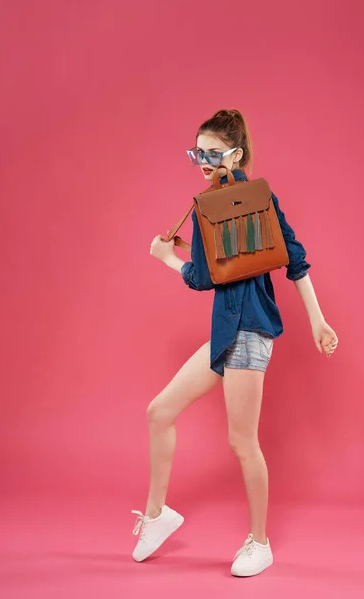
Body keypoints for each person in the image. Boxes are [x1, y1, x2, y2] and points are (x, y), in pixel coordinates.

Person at [131, 109, 338, 577]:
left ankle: (259, 543)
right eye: (197, 152)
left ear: (235, 154)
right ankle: (158, 515)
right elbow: (291, 260)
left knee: (242, 442)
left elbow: (203, 279)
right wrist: (317, 322)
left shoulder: (211, 205)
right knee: (159, 411)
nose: (203, 161)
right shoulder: (256, 197)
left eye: (212, 153)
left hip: (247, 331)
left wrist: (166, 257)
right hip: (229, 330)